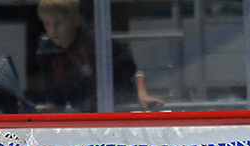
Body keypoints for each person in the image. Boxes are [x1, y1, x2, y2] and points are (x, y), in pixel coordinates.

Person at [33, 0, 162, 112]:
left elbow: (134, 71)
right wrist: (39, 110)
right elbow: (58, 103)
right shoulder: (46, 52)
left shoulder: (96, 42)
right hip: (88, 116)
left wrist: (143, 96)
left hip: (120, 109)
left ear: (76, 21)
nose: (52, 31)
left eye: (58, 23)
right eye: (47, 24)